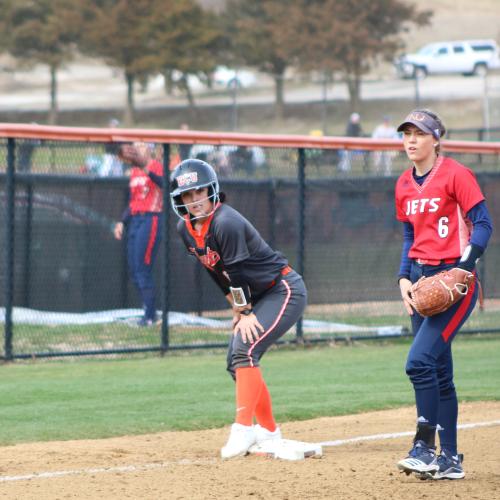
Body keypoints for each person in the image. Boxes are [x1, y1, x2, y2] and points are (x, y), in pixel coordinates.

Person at [170, 159, 307, 459]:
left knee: (244, 348)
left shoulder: (225, 222)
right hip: (255, 296)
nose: (195, 200)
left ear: (212, 189)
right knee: (237, 361)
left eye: (200, 191)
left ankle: (243, 429)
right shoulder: (185, 228)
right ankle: (269, 434)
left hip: (283, 289)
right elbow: (216, 271)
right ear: (179, 199)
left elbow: (238, 271)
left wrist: (245, 313)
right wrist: (236, 307)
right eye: (187, 195)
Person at [394, 109, 493, 480]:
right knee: (438, 372)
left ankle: (423, 445)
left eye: (418, 133)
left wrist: (465, 267)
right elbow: (408, 236)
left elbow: (483, 224)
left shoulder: (456, 174)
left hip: (455, 282)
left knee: (418, 363)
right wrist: (404, 277)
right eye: (406, 134)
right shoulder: (404, 184)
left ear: (435, 139)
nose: (411, 140)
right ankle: (449, 459)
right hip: (421, 285)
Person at [113, 142, 164, 326]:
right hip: (135, 220)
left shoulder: (158, 166)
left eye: (141, 146)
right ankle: (148, 310)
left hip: (151, 219)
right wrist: (121, 221)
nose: (137, 150)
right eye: (136, 147)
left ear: (149, 149)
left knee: (143, 269)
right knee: (135, 270)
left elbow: (166, 184)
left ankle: (150, 316)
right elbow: (133, 201)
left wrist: (146, 168)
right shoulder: (134, 172)